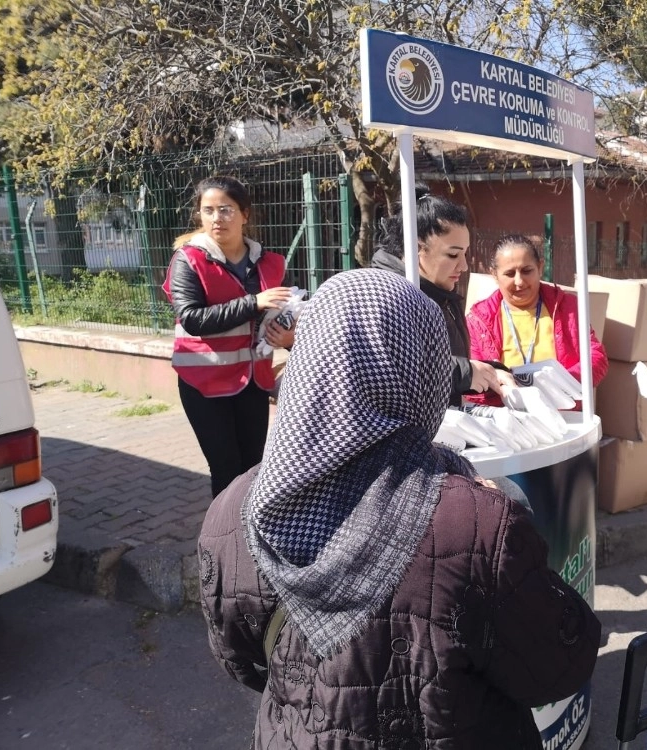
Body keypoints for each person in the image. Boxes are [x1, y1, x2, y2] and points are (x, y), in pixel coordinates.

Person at [197, 269, 601, 748]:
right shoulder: (477, 521)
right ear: (423, 374)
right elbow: (558, 664)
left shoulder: (234, 511)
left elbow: (241, 659)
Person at [163, 175, 293, 498]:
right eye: (208, 210)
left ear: (244, 214)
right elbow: (192, 318)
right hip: (204, 383)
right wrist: (253, 303)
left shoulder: (270, 263)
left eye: (226, 210)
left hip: (252, 382)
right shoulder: (189, 260)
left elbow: (281, 313)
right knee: (225, 470)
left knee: (254, 467)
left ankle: (250, 539)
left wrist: (287, 335)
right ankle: (223, 543)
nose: (216, 219)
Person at [371, 190, 511, 406]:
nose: (463, 266)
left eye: (465, 253)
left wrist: (491, 371)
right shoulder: (385, 297)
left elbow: (438, 364)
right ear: (417, 249)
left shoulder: (439, 292)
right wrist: (467, 372)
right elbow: (399, 370)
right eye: (453, 255)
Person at [466, 233, 608, 406]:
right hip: (506, 419)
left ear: (540, 268)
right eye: (509, 274)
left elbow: (596, 358)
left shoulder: (567, 308)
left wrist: (561, 384)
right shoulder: (478, 320)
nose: (519, 282)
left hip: (563, 414)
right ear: (494, 275)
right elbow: (472, 380)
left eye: (527, 271)